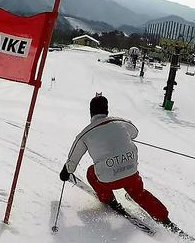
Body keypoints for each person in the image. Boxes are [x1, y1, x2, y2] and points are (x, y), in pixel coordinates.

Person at [60, 95, 172, 226]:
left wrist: (66, 172)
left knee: (91, 172)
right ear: (107, 110)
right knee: (139, 193)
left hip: (108, 180)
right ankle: (164, 218)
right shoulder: (121, 122)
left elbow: (72, 162)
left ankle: (108, 199)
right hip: (131, 173)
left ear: (91, 112)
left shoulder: (84, 134)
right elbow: (135, 133)